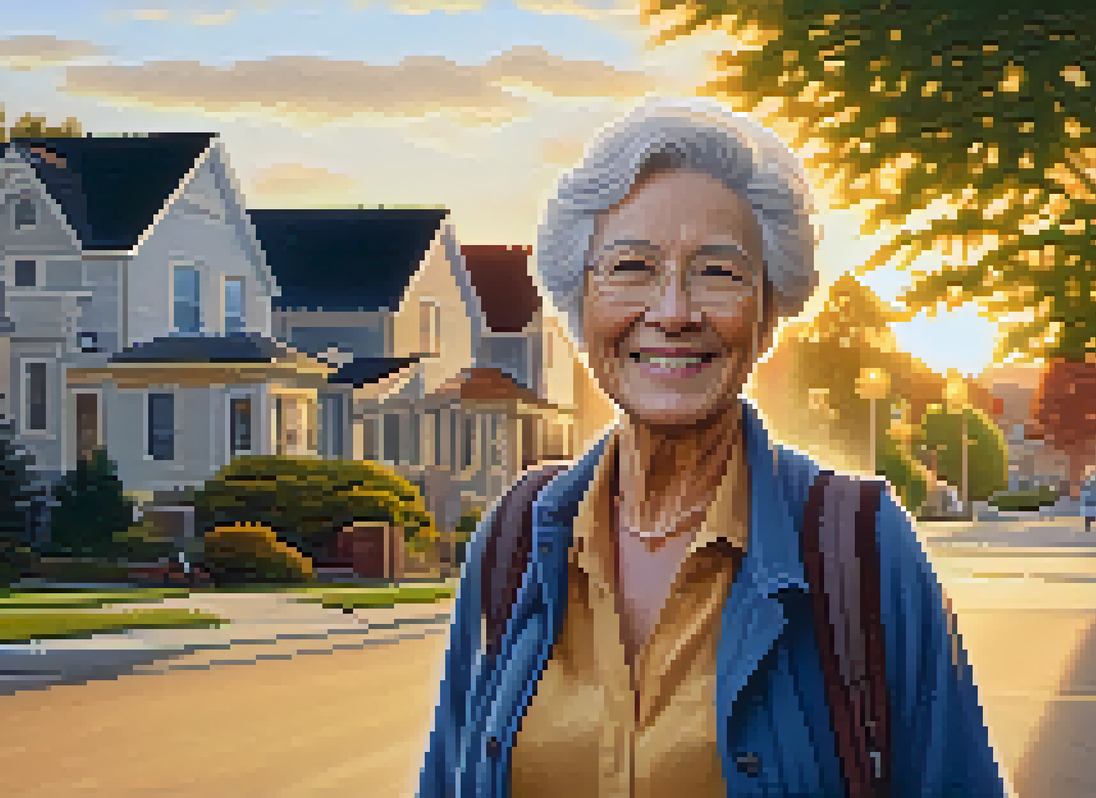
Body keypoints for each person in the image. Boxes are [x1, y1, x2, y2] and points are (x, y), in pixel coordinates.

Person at [417, 98, 1006, 797]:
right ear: (582, 307)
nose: (672, 312)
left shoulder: (860, 547)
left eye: (718, 273)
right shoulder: (514, 538)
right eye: (631, 267)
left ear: (766, 316)